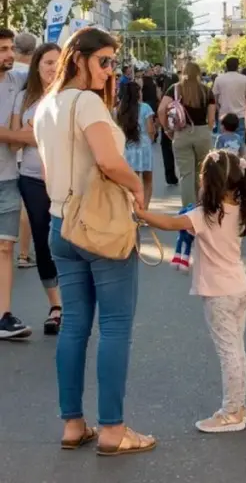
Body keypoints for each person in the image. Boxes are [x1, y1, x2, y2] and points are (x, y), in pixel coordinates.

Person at [33, 27, 155, 455]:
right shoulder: (85, 103)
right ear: (79, 58)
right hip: (101, 227)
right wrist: (137, 190)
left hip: (60, 224)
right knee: (116, 326)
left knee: (75, 325)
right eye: (103, 61)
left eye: (113, 64)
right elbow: (108, 160)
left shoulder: (46, 106)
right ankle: (112, 429)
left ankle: (72, 424)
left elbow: (50, 173)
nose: (110, 71)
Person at [136, 150, 246, 433]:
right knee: (237, 351)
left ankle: (230, 413)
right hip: (240, 287)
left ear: (209, 182)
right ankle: (239, 406)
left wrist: (141, 214)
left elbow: (170, 223)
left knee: (229, 352)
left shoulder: (205, 215)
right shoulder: (239, 210)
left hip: (219, 294)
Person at [10, 42, 63, 335]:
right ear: (37, 66)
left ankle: (76, 302)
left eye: (58, 63)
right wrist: (34, 135)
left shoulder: (70, 96)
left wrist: (37, 133)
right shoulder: (24, 98)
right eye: (47, 63)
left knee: (67, 241)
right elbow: (16, 141)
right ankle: (56, 306)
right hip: (31, 178)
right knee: (43, 241)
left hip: (66, 178)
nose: (53, 69)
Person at [0, 28, 30, 339]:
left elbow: (48, 72)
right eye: (2, 50)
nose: (9, 54)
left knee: (5, 247)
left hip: (7, 178)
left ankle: (3, 316)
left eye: (9, 48)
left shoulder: (17, 78)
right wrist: (26, 137)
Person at [158, 62, 216, 208]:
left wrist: (167, 129)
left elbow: (161, 110)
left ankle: (188, 210)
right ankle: (202, 205)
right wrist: (206, 130)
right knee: (202, 172)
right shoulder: (207, 91)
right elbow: (211, 119)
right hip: (202, 132)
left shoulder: (175, 89)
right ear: (198, 73)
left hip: (181, 133)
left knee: (186, 174)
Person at [13, 32, 37, 269]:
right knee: (26, 203)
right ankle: (23, 253)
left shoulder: (6, 73)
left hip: (8, 142)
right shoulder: (33, 76)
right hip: (27, 143)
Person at [116, 82, 155, 210]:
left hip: (128, 147)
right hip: (144, 146)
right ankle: (144, 208)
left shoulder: (119, 110)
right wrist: (151, 138)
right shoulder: (145, 108)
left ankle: (133, 208)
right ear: (138, 93)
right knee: (147, 180)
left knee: (133, 180)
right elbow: (150, 129)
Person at [213, 57, 246, 140]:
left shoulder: (219, 79)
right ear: (238, 66)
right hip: (240, 115)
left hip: (224, 115)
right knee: (239, 143)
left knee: (223, 143)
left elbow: (215, 99)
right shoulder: (245, 79)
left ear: (226, 66)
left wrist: (219, 109)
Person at [156, 69, 178, 185]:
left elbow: (160, 109)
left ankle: (170, 176)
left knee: (167, 150)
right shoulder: (179, 91)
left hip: (167, 124)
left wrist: (164, 127)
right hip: (179, 124)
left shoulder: (165, 93)